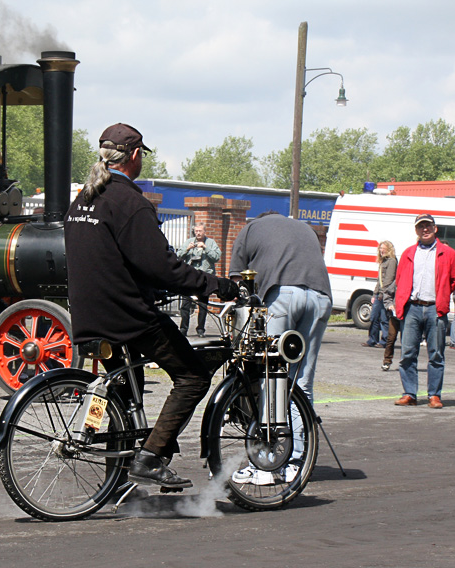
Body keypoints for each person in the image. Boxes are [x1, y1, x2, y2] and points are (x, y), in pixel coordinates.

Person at [64, 123, 239, 489]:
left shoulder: (82, 199)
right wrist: (216, 285)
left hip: (88, 316)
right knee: (193, 377)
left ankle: (116, 480)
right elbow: (164, 267)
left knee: (121, 394)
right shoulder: (130, 202)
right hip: (128, 318)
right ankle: (152, 456)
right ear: (135, 156)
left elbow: (115, 261)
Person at [228, 211, 332, 485]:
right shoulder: (304, 228)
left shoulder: (251, 228)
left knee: (271, 380)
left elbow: (237, 283)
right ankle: (297, 461)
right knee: (301, 383)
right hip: (321, 296)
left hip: (283, 294)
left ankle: (267, 464)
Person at [393, 213, 455, 409]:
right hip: (412, 307)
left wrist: (441, 295)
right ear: (416, 230)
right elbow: (400, 279)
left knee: (437, 355)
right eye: (421, 226)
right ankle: (409, 394)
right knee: (407, 353)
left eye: (428, 226)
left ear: (435, 228)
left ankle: (434, 395)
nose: (425, 229)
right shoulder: (408, 253)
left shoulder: (448, 253)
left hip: (435, 309)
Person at [177, 224, 221, 337]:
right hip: (189, 277)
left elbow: (217, 257)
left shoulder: (210, 243)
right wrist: (187, 249)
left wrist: (205, 248)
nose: (198, 233)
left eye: (200, 231)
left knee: (202, 305)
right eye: (196, 231)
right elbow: (178, 256)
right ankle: (183, 328)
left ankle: (200, 329)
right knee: (185, 305)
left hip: (204, 278)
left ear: (204, 231)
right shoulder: (189, 242)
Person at [362, 242, 395, 348]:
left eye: (383, 249)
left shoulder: (392, 261)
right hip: (379, 294)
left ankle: (384, 341)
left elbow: (389, 279)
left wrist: (382, 294)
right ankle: (372, 339)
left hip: (386, 294)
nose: (381, 251)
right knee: (374, 317)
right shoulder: (382, 262)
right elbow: (379, 280)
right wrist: (374, 294)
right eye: (380, 248)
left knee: (384, 319)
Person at [379, 241, 400, 372]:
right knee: (391, 338)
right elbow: (388, 290)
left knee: (409, 342)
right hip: (395, 312)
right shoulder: (398, 281)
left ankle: (408, 362)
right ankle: (387, 361)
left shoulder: (392, 261)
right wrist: (389, 305)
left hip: (408, 313)